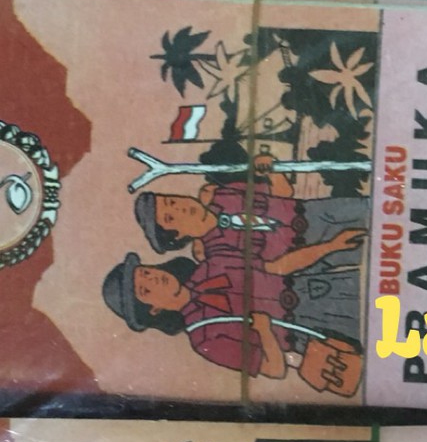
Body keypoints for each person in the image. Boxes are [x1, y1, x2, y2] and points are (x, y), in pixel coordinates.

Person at [102, 248, 360, 392]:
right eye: (145, 290)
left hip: (320, 287)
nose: (153, 279)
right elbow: (274, 369)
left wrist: (332, 245)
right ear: (153, 310)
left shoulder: (211, 266)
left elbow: (277, 265)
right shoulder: (204, 340)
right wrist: (265, 332)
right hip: (313, 334)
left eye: (145, 272)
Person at [133, 152, 369, 274]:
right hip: (315, 252)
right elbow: (278, 268)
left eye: (171, 201)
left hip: (317, 212)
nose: (179, 207)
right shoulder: (217, 254)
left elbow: (283, 194)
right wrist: (331, 247)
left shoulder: (221, 195)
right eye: (171, 217)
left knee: (378, 207)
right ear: (177, 236)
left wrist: (271, 169)